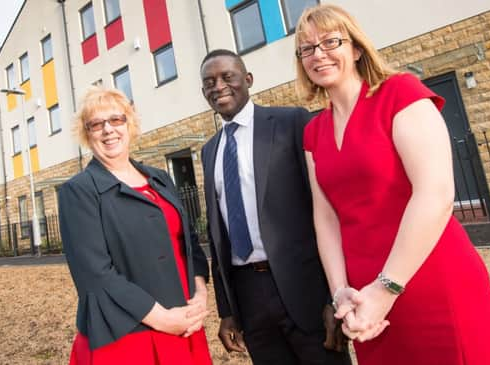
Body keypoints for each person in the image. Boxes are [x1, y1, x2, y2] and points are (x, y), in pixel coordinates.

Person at [295, 4, 490, 365]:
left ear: (356, 47)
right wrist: (340, 294)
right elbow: (326, 218)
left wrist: (386, 288)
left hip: (429, 280)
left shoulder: (400, 93)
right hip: (363, 302)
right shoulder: (313, 132)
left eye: (330, 41)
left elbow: (437, 194)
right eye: (307, 48)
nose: (318, 54)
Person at [200, 49, 351, 365]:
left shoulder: (291, 122)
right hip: (249, 295)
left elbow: (327, 209)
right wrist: (227, 310)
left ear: (248, 79)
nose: (218, 86)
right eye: (209, 82)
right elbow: (218, 236)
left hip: (305, 290)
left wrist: (332, 297)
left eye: (227, 76)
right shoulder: (209, 151)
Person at [59, 87, 212, 364]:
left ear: (129, 124)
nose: (108, 130)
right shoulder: (79, 191)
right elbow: (95, 275)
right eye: (96, 124)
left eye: (116, 120)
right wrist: (164, 320)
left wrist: (200, 295)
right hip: (129, 337)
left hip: (185, 324)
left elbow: (189, 243)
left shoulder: (160, 178)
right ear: (87, 133)